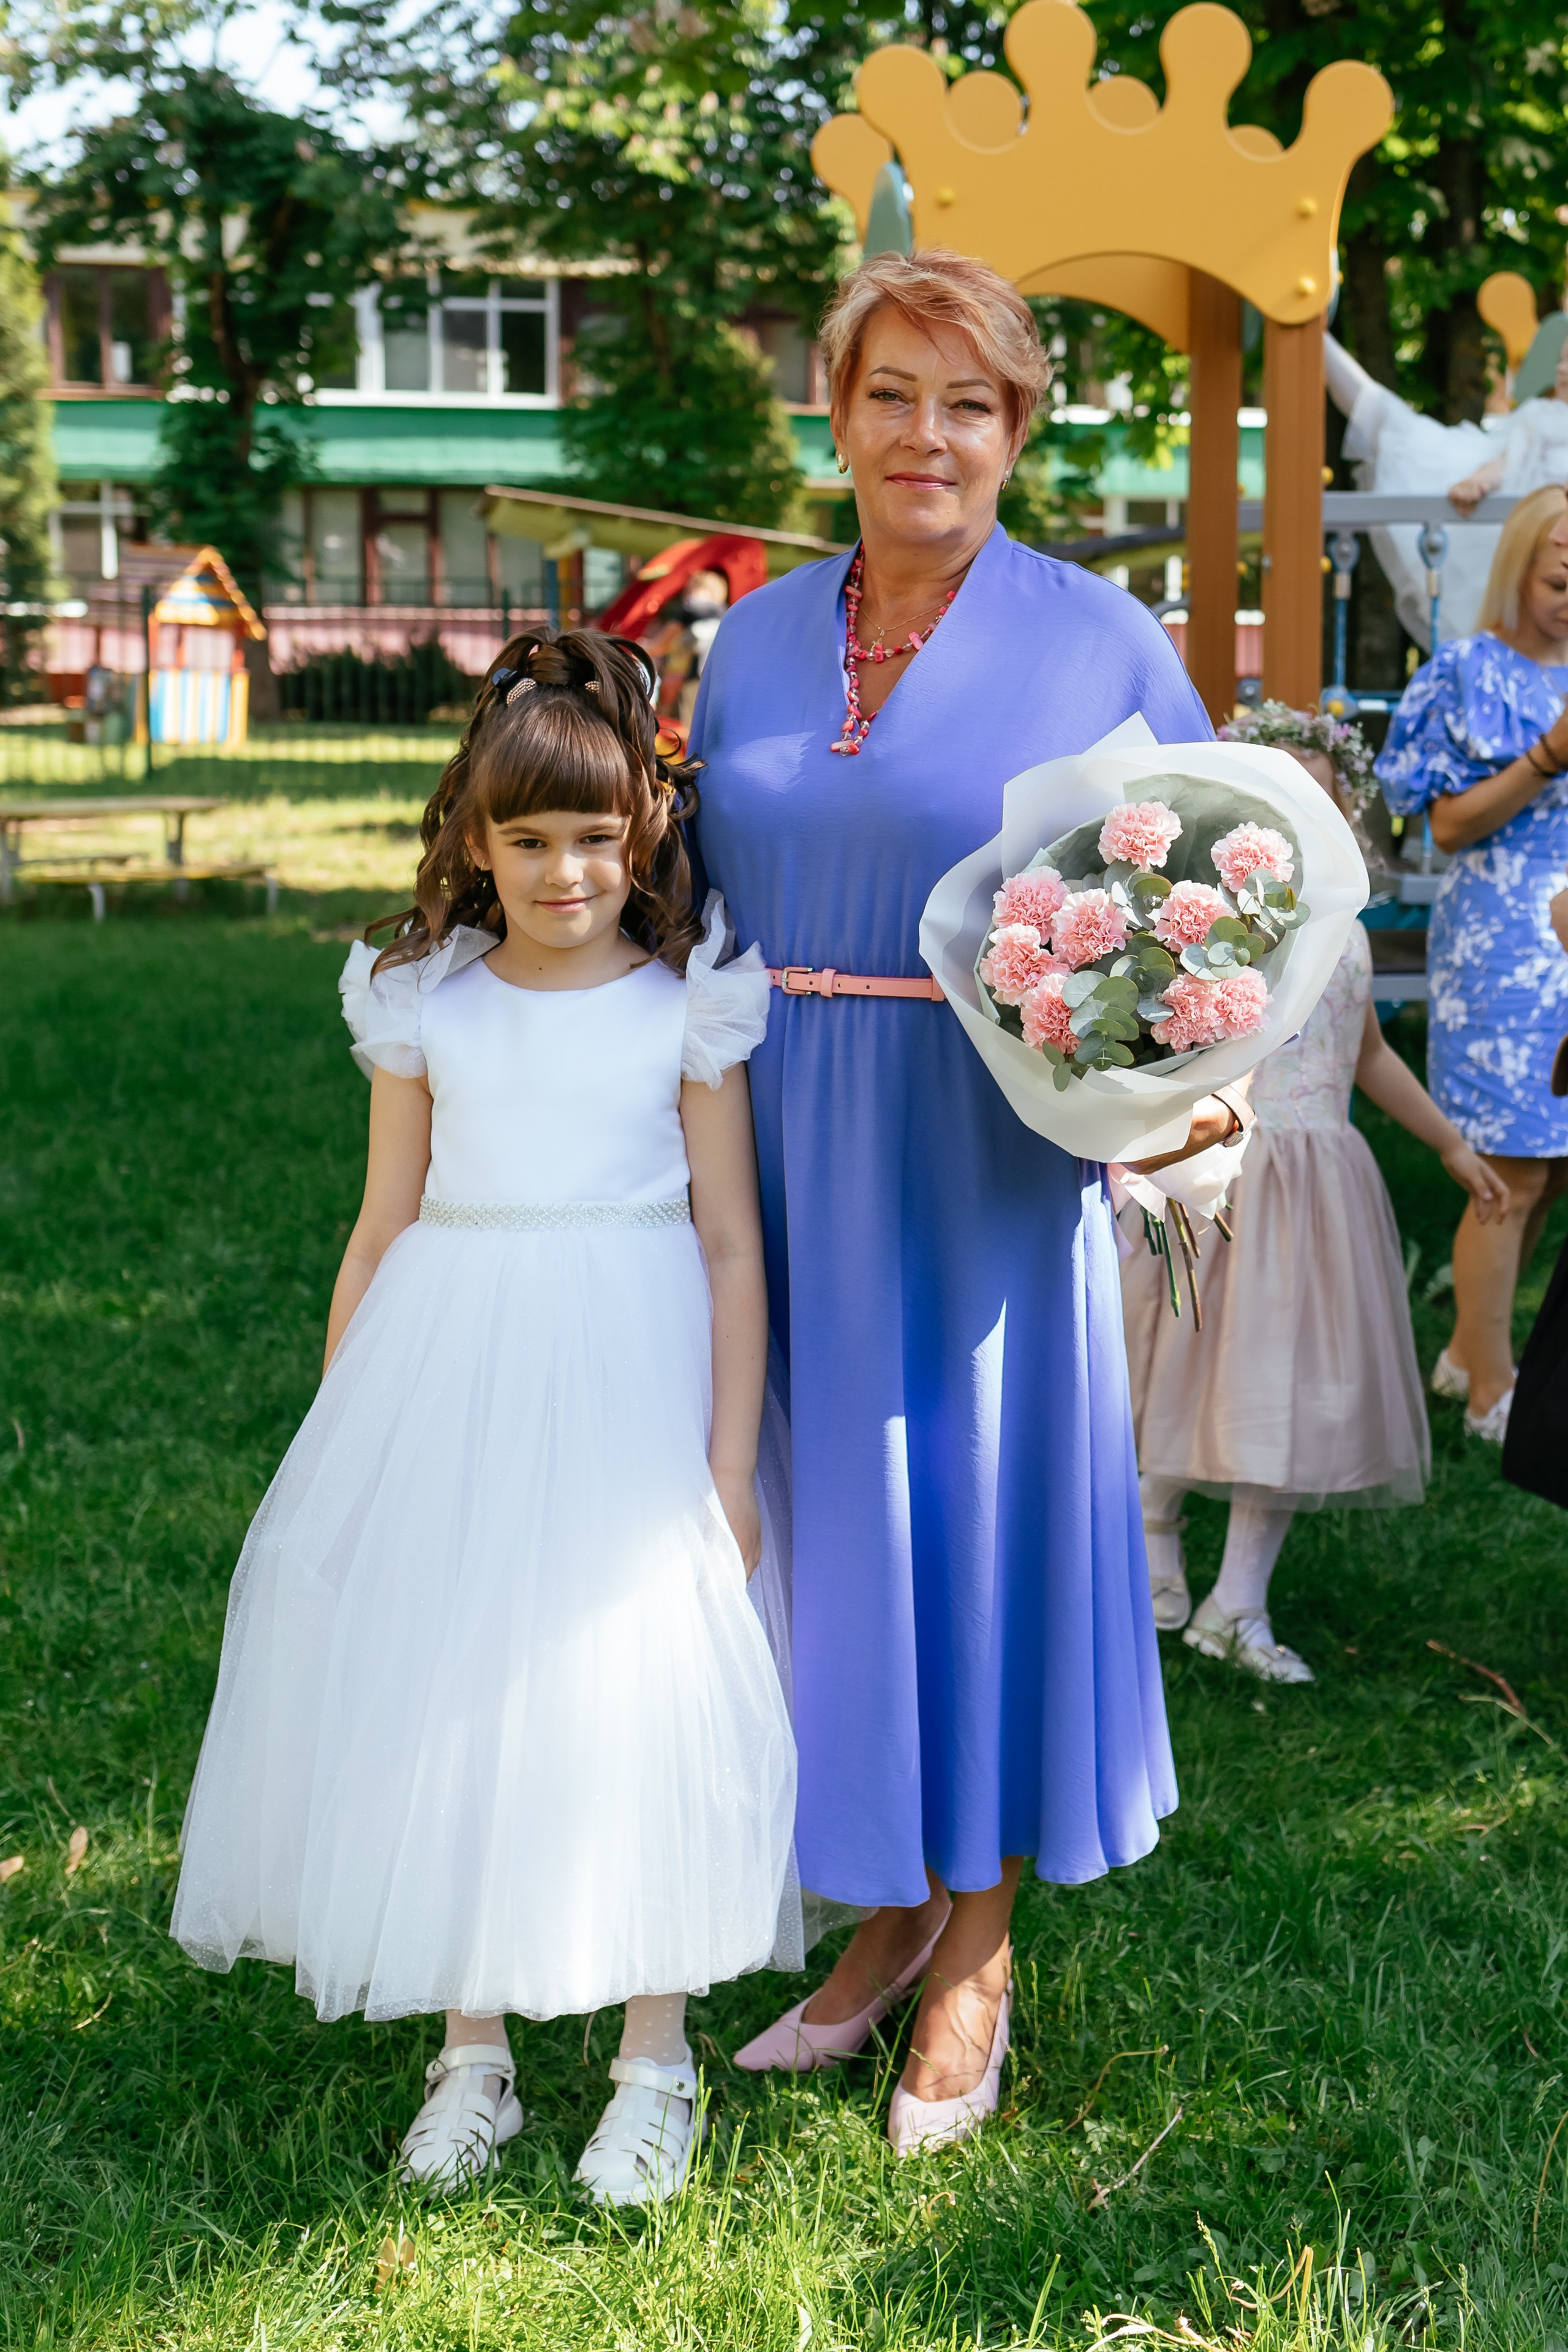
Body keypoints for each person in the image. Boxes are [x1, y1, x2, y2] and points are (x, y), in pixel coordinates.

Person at [688, 247, 1232, 2155]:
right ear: (832, 417)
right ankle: (878, 1906)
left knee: (978, 1524)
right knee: (818, 1535)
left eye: (971, 402)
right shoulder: (748, 637)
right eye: (892, 393)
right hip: (770, 1151)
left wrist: (1174, 1090)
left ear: (1019, 433)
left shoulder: (1095, 637)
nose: (928, 434)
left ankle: (979, 1943)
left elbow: (1220, 890)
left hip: (984, 1152)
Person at [170, 629, 797, 2206]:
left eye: (595, 835)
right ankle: (475, 2050)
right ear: (474, 839)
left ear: (643, 830)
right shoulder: (424, 1004)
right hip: (453, 1351)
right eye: (528, 839)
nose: (563, 869)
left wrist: (726, 1460)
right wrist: (347, 1425)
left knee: (631, 1673)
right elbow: (379, 1226)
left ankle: (654, 2056)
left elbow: (730, 1240)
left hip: (634, 1356)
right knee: (450, 1673)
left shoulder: (685, 1010)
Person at [1123, 706, 1509, 1679]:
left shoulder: (1344, 928)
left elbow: (1368, 1052)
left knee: (1292, 1390)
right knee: (1184, 1367)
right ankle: (1152, 1535)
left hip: (1319, 1183)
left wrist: (1452, 1146)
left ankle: (1238, 1601)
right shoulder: (1220, 930)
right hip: (1227, 1174)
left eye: (1319, 802)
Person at [1377, 486, 1568, 1441]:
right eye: (1560, 578)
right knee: (1510, 1170)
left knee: (1556, 1167)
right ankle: (1493, 1388)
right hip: (1503, 940)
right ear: (1522, 570)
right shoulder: (1468, 675)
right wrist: (1546, 755)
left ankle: (1465, 1357)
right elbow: (1446, 827)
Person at [1324, 334, 1568, 648]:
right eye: (1561, 361)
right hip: (1520, 549)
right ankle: (1320, 344)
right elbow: (1506, 460)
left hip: (1544, 548)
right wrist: (1479, 480)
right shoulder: (1544, 417)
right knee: (1398, 431)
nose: (1562, 371)